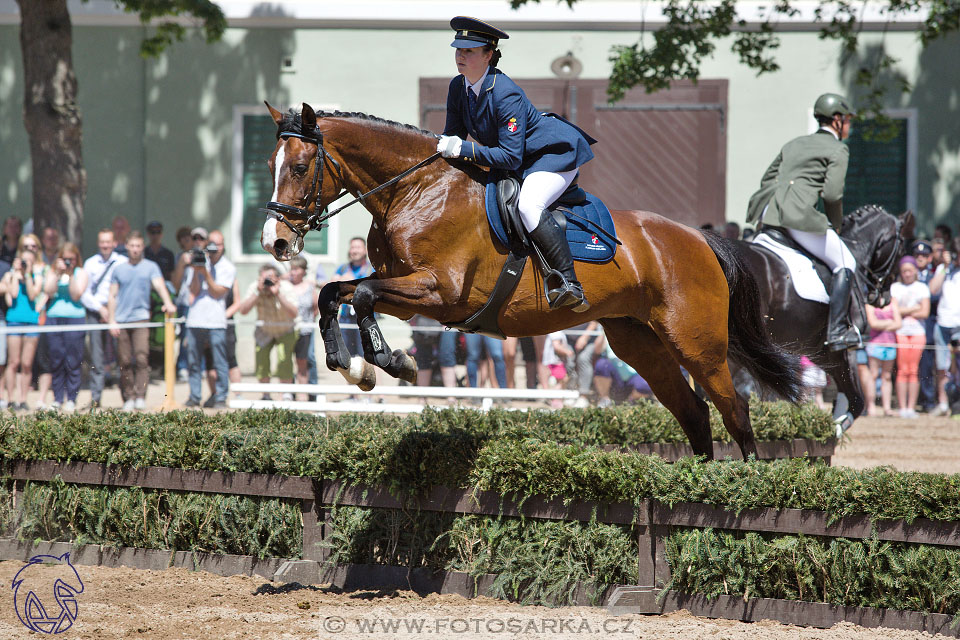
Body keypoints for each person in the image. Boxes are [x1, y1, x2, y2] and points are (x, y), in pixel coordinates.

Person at [437, 16, 596, 312]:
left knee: (528, 205)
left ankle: (569, 283)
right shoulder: (458, 87)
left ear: (488, 55)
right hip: (517, 159)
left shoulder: (504, 92)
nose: (460, 55)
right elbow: (453, 138)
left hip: (551, 155)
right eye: (458, 49)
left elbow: (509, 156)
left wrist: (464, 148)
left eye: (469, 51)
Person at [746, 93, 857, 351]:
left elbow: (768, 178)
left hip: (768, 212)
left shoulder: (793, 143)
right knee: (845, 261)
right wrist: (835, 224)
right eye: (848, 120)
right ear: (837, 120)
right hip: (796, 217)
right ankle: (838, 330)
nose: (849, 126)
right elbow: (832, 194)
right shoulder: (838, 148)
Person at [107, 232, 176, 411]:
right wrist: (112, 320)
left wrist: (168, 303)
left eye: (139, 246)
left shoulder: (150, 267)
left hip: (142, 318)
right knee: (124, 360)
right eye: (132, 246)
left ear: (142, 247)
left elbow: (160, 286)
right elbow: (112, 295)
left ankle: (140, 395)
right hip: (122, 320)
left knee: (142, 358)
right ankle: (128, 397)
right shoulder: (119, 269)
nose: (135, 249)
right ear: (127, 247)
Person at [182, 230, 234, 408]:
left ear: (223, 246)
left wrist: (205, 272)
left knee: (219, 361)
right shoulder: (198, 259)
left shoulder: (228, 267)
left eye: (217, 244)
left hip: (216, 321)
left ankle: (221, 396)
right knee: (193, 361)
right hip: (195, 319)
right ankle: (194, 396)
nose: (213, 247)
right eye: (211, 243)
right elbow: (193, 292)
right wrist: (197, 271)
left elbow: (218, 292)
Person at [80, 229, 128, 410]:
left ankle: (127, 398)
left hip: (118, 313)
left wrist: (112, 311)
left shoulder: (122, 262)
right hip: (95, 311)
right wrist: (100, 309)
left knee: (123, 355)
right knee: (97, 358)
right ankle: (96, 398)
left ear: (114, 243)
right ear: (98, 243)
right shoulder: (90, 263)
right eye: (102, 242)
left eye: (108, 242)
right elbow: (85, 292)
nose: (105, 245)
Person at [234, 264, 298, 399]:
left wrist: (278, 293)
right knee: (261, 361)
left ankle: (286, 394)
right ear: (259, 278)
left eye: (271, 278)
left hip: (285, 329)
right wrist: (257, 292)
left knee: (284, 360)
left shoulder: (286, 288)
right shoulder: (255, 287)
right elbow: (243, 311)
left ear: (278, 278)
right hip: (264, 330)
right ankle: (266, 395)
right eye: (265, 278)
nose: (267, 282)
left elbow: (294, 313)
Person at [42, 242, 88, 411]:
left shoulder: (80, 272)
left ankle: (72, 398)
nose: (69, 262)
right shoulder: (52, 271)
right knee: (56, 359)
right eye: (65, 259)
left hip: (75, 318)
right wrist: (57, 273)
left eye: (72, 259)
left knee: (73, 360)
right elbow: (48, 291)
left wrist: (70, 275)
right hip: (54, 318)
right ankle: (57, 397)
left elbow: (76, 295)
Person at [1, 245, 43, 411]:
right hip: (14, 321)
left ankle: (23, 399)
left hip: (31, 322)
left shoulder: (36, 277)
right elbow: (12, 296)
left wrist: (28, 276)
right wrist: (15, 276)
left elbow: (33, 295)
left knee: (26, 363)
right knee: (13, 362)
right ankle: (11, 398)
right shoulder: (9, 275)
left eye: (28, 261)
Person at [890, 256, 930, 418]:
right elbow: (893, 310)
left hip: (917, 333)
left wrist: (903, 310)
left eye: (910, 271)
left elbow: (925, 312)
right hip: (900, 332)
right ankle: (902, 407)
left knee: (913, 370)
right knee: (902, 370)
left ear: (915, 271)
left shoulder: (922, 288)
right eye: (904, 271)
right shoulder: (895, 287)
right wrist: (914, 308)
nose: (907, 274)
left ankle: (911, 407)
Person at [928, 239, 960, 415]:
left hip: (958, 324)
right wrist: (945, 267)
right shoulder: (944, 270)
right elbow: (932, 290)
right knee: (942, 366)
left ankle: (957, 402)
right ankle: (943, 403)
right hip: (943, 323)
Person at [330, 237, 374, 357]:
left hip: (366, 319)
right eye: (352, 247)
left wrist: (349, 283)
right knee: (347, 356)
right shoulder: (342, 268)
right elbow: (330, 287)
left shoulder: (372, 270)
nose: (354, 251)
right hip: (345, 319)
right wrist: (338, 282)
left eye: (358, 247)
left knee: (367, 356)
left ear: (365, 250)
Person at [912, 240, 939, 411]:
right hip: (909, 328)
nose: (920, 258)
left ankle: (929, 401)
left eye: (924, 255)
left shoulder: (934, 277)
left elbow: (935, 296)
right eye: (917, 255)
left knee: (928, 366)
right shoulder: (905, 276)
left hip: (928, 326)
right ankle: (914, 401)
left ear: (930, 258)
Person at [287, 256, 318, 400]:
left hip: (305, 330)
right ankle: (289, 393)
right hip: (287, 330)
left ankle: (304, 395)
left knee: (303, 361)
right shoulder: (285, 286)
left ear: (303, 271)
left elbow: (316, 307)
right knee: (286, 361)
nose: (293, 272)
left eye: (296, 269)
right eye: (292, 269)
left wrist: (309, 321)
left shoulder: (310, 287)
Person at [863, 299, 901, 417]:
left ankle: (887, 408)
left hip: (890, 344)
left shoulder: (893, 301)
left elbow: (899, 323)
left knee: (887, 376)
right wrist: (890, 322)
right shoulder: (870, 302)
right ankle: (871, 406)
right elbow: (873, 323)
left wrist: (882, 324)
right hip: (875, 344)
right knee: (873, 374)